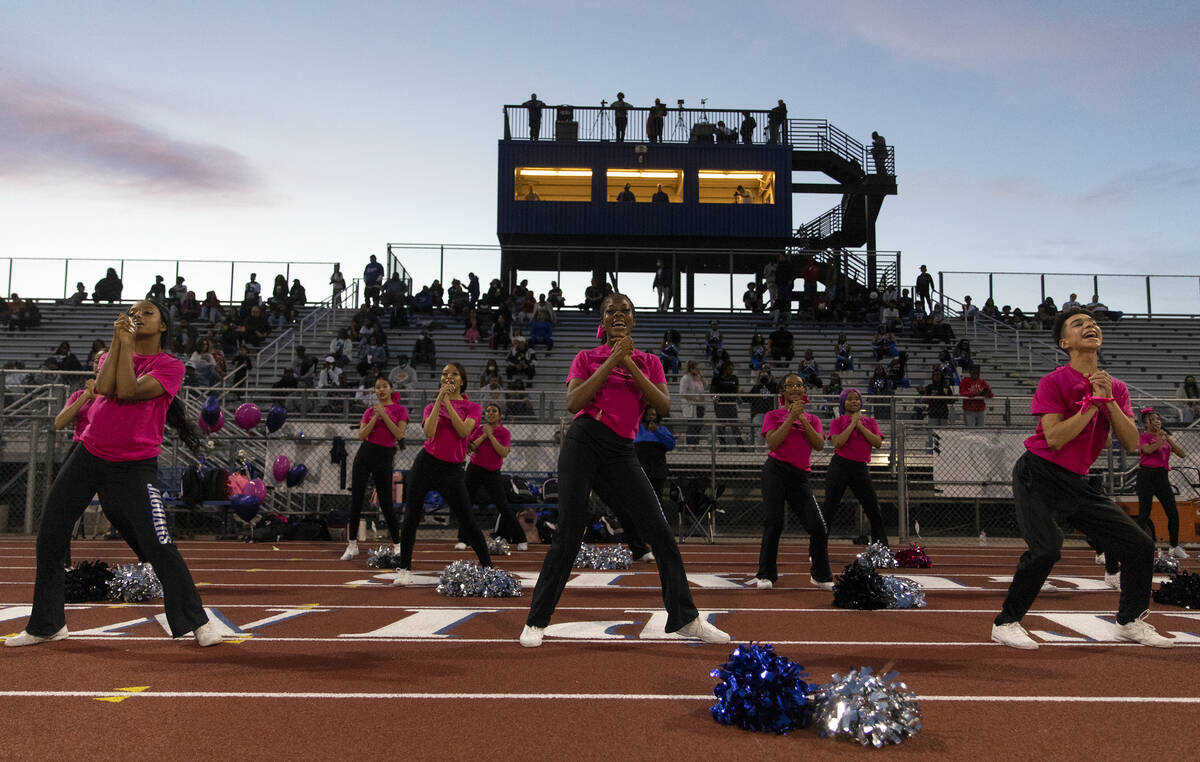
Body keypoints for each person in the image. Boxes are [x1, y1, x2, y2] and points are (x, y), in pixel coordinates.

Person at [6, 299, 221, 649]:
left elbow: (129, 391)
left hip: (134, 466)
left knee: (159, 543)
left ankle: (197, 621)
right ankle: (47, 624)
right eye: (133, 313)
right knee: (50, 534)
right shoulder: (110, 355)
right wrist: (119, 342)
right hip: (88, 455)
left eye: (147, 312)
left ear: (163, 325)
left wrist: (123, 346)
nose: (138, 317)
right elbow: (105, 389)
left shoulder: (169, 365)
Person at [520, 292, 730, 647]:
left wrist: (629, 362)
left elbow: (661, 404)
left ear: (633, 319)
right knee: (570, 531)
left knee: (660, 531)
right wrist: (612, 359)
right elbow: (574, 402)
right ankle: (536, 621)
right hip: (584, 441)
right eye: (610, 311)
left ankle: (685, 619)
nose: (618, 315)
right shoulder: (586, 357)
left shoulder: (649, 361)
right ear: (602, 321)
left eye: (625, 310)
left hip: (621, 450)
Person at [990, 308, 1171, 650]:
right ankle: (1007, 622)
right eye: (1079, 324)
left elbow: (1132, 443)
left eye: (1093, 323)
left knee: (1140, 544)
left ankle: (1130, 621)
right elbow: (1055, 437)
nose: (1090, 325)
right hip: (1039, 474)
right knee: (1046, 550)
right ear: (1065, 342)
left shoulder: (1116, 387)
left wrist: (1108, 402)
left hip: (1079, 481)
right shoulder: (1054, 382)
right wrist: (1090, 405)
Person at [393, 363, 493, 585]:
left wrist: (448, 401)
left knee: (467, 520)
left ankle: (489, 569)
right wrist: (440, 400)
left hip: (453, 470)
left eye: (454, 374)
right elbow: (428, 431)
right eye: (445, 374)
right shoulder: (431, 406)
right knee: (411, 517)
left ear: (462, 380)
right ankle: (405, 568)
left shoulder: (473, 407)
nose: (449, 377)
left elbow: (464, 431)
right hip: (426, 464)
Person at [752, 375, 830, 590]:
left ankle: (821, 576)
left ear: (804, 391)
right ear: (782, 391)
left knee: (818, 526)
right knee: (773, 523)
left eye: (799, 385)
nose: (795, 388)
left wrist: (802, 418)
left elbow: (819, 444)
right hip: (775, 472)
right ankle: (766, 574)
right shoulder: (772, 415)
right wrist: (790, 418)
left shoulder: (813, 419)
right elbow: (773, 444)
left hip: (800, 476)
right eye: (790, 385)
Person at [340, 377, 408, 561]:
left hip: (384, 456)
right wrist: (376, 416)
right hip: (365, 454)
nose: (381, 390)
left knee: (386, 502)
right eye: (377, 387)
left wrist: (384, 415)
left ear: (391, 389)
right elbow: (361, 435)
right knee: (356, 499)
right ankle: (352, 544)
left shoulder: (400, 410)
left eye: (384, 386)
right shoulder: (370, 411)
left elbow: (399, 434)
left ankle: (397, 544)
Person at [456, 403, 527, 551]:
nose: (490, 413)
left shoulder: (504, 432)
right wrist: (484, 434)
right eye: (487, 411)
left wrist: (491, 435)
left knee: (503, 506)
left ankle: (521, 539)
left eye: (494, 411)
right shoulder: (478, 429)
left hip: (493, 472)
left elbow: (503, 452)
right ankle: (463, 539)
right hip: (474, 469)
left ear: (499, 415)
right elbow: (471, 448)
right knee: (465, 504)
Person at [825, 389, 888, 547]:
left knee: (873, 509)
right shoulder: (837, 422)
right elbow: (838, 443)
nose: (854, 402)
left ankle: (881, 549)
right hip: (840, 466)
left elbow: (877, 443)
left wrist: (860, 426)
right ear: (843, 403)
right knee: (829, 509)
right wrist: (852, 423)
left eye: (857, 399)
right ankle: (818, 549)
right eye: (849, 399)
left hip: (860, 468)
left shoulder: (870, 422)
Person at [1137, 408, 1188, 559]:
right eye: (1153, 420)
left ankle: (1174, 546)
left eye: (1158, 419)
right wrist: (1160, 440)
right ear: (1146, 423)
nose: (1157, 422)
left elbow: (1182, 454)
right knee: (1144, 514)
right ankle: (1137, 545)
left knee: (1172, 512)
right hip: (1146, 475)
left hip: (1162, 476)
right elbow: (1147, 450)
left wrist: (1168, 440)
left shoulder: (1165, 438)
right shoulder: (1144, 437)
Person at [633, 407, 676, 527]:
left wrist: (656, 431)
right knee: (639, 499)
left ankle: (657, 526)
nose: (651, 417)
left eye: (654, 415)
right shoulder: (638, 428)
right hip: (641, 469)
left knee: (657, 499)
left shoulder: (662, 430)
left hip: (657, 470)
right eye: (649, 414)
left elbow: (671, 445)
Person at [679, 360, 708, 445]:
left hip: (700, 405)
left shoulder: (698, 377)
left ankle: (696, 445)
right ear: (691, 369)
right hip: (691, 405)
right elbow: (682, 393)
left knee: (699, 426)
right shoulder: (685, 378)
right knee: (692, 426)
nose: (698, 370)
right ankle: (690, 445)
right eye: (696, 368)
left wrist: (701, 377)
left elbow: (706, 386)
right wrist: (694, 398)